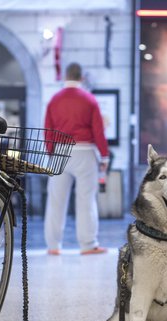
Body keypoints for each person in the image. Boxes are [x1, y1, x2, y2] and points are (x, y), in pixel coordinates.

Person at [43, 62, 110, 255]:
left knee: (56, 200)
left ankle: (53, 246)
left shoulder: (54, 100)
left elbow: (47, 130)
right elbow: (98, 130)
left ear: (65, 76)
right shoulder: (89, 100)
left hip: (60, 151)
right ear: (82, 78)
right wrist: (104, 155)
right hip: (84, 150)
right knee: (86, 199)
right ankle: (88, 244)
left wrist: (51, 153)